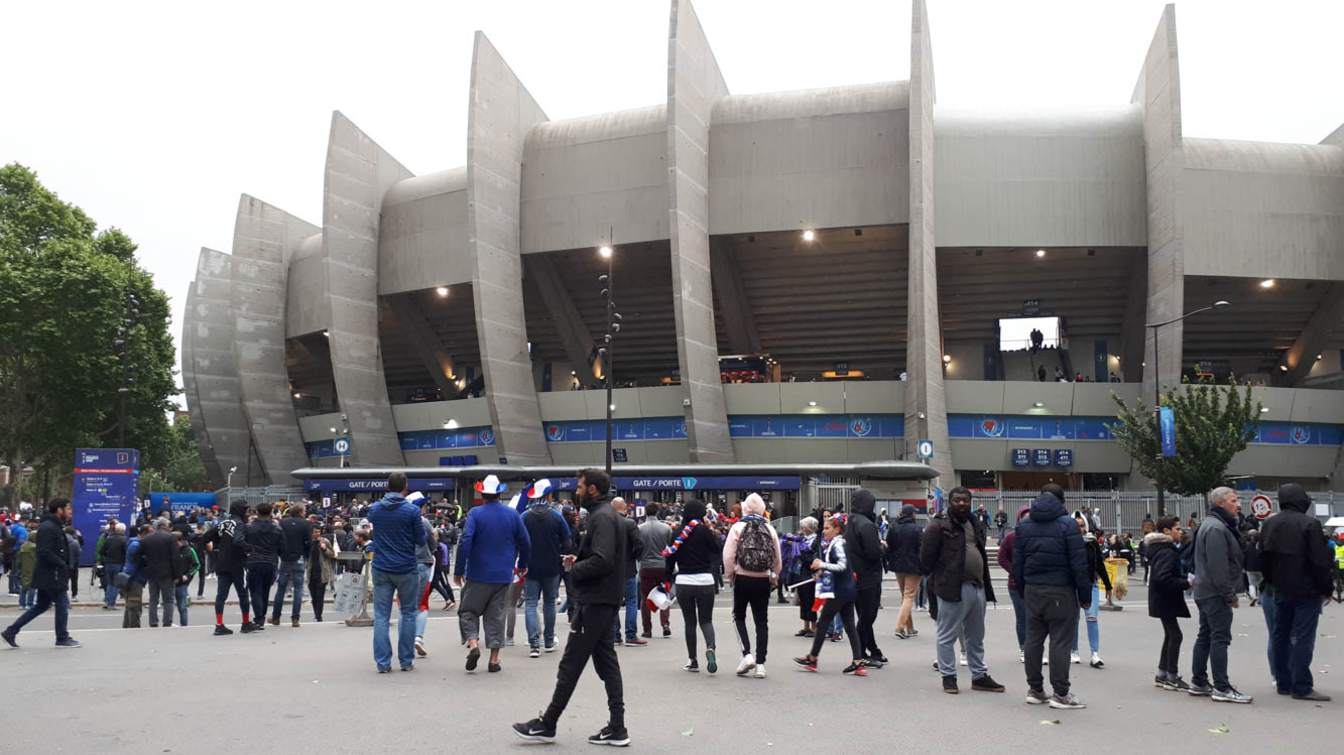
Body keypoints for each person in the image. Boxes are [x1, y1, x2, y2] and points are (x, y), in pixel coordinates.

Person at [513, 469, 629, 747]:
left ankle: (549, 722)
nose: (576, 491)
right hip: (606, 597)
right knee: (606, 663)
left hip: (595, 599)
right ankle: (617, 726)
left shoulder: (600, 518)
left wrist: (574, 568)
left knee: (571, 663)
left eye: (579, 487)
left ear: (592, 489)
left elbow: (602, 560)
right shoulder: (608, 516)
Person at [920, 487, 1004, 694]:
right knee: (947, 634)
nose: (961, 503)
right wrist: (942, 577)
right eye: (957, 500)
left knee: (976, 635)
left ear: (970, 502)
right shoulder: (937, 525)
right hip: (951, 587)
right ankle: (948, 676)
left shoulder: (974, 523)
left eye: (965, 500)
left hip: (977, 586)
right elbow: (926, 559)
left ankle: (979, 676)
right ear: (949, 502)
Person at [1012, 490, 1090, 710]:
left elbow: (1017, 563)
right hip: (1061, 589)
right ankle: (1061, 693)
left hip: (1033, 589)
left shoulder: (1024, 525)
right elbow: (1079, 563)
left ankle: (1035, 690)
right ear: (1062, 501)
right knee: (1060, 641)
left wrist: (1022, 589)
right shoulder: (1067, 525)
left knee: (1033, 639)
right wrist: (1084, 595)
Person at [1259, 483, 1333, 701]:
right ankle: (1302, 685)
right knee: (1303, 637)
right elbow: (1319, 561)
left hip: (1280, 588)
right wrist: (1326, 588)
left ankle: (1284, 682)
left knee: (1280, 635)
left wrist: (1271, 581)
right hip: (1306, 589)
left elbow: (1264, 558)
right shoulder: (1310, 524)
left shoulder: (1270, 524)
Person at [455, 474, 530, 674]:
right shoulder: (512, 514)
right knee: (496, 616)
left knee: (468, 611)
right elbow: (525, 542)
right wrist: (522, 564)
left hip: (478, 573)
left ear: (482, 493)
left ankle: (473, 644)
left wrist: (459, 569)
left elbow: (466, 540)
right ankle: (494, 660)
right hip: (503, 574)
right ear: (499, 493)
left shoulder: (475, 513)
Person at [1188, 486, 1251, 703]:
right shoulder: (1216, 528)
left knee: (1206, 635)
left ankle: (1199, 681)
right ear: (1220, 503)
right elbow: (1218, 566)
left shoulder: (1212, 524)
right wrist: (1229, 594)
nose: (1238, 504)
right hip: (1214, 591)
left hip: (1205, 589)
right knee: (1219, 638)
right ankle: (1222, 687)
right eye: (1234, 500)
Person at [791, 514, 867, 676]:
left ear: (837, 529)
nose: (824, 531)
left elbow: (842, 566)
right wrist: (822, 572)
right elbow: (842, 568)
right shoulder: (839, 542)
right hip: (847, 590)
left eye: (827, 528)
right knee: (849, 626)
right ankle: (858, 662)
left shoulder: (838, 544)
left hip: (839, 591)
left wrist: (821, 564)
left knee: (824, 622)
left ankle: (813, 659)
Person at [367, 472, 427, 673]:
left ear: (387, 486)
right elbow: (421, 539)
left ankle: (383, 663)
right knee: (408, 613)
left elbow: (374, 533)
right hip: (406, 568)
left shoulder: (374, 510)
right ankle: (406, 661)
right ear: (405, 487)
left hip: (381, 567)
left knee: (381, 616)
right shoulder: (412, 511)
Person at [2, 499, 79, 649]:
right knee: (62, 604)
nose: (71, 512)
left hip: (49, 573)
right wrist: (61, 564)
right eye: (68, 508)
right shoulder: (49, 527)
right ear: (59, 510)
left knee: (42, 605)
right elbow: (44, 551)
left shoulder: (52, 526)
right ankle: (62, 637)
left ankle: (11, 630)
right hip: (52, 574)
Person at [723, 493, 782, 679]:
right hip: (763, 579)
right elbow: (777, 557)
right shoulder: (769, 528)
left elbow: (728, 555)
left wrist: (730, 574)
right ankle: (761, 664)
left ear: (746, 508)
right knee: (761, 621)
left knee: (738, 616)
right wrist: (774, 575)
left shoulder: (738, 527)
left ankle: (746, 654)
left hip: (742, 577)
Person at [663, 498, 722, 673]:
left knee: (690, 622)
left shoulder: (677, 533)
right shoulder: (705, 531)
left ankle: (693, 660)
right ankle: (710, 647)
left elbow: (670, 559)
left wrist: (667, 579)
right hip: (705, 580)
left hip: (684, 582)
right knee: (706, 620)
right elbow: (716, 550)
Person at [522, 480, 571, 657]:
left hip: (530, 566)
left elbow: (518, 539)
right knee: (549, 603)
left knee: (531, 604)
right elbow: (568, 541)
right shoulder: (556, 516)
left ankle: (534, 644)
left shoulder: (525, 516)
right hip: (551, 566)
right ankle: (549, 640)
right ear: (548, 496)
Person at [1146, 516, 1191, 691]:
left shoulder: (1160, 549)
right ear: (1166, 531)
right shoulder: (1167, 551)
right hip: (1166, 599)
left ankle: (1163, 673)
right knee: (1175, 635)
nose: (1180, 531)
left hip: (1161, 599)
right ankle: (1171, 675)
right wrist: (1186, 582)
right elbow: (1163, 578)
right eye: (1177, 528)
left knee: (1170, 634)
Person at [846, 489, 887, 668]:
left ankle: (873, 649)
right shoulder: (867, 524)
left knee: (863, 614)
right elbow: (873, 552)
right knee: (868, 616)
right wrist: (883, 547)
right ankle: (860, 653)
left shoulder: (851, 520)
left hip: (855, 575)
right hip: (869, 576)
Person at [207, 501, 255, 635]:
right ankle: (245, 623)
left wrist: (216, 549)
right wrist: (250, 549)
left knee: (221, 595)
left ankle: (219, 625)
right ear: (240, 511)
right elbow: (238, 540)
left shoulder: (222, 523)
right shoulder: (240, 524)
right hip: (237, 564)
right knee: (243, 594)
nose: (248, 513)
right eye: (246, 510)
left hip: (222, 564)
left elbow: (206, 537)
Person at [1073, 520, 1111, 667]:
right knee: (1073, 619)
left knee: (1092, 617)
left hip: (1091, 584)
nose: (1080, 528)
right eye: (1076, 525)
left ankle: (1094, 653)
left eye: (1082, 525)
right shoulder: (1068, 541)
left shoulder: (1091, 542)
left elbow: (1099, 564)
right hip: (1073, 585)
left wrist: (1107, 585)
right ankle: (1074, 651)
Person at [996, 505, 1031, 661]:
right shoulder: (1010, 538)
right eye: (1024, 517)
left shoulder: (1036, 535)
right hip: (1016, 585)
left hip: (1034, 584)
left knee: (1036, 619)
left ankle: (1035, 648)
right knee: (1022, 617)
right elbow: (1001, 558)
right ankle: (1023, 648)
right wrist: (1014, 571)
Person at [271, 502, 312, 628]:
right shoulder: (306, 524)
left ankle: (276, 617)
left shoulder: (283, 522)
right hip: (299, 557)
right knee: (298, 588)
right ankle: (295, 618)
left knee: (281, 588)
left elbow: (278, 540)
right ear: (300, 512)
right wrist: (305, 555)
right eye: (304, 511)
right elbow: (308, 542)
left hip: (285, 558)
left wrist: (280, 553)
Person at [611, 497, 645, 647]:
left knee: (613, 603)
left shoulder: (608, 524)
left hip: (611, 569)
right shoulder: (630, 523)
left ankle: (615, 635)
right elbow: (639, 545)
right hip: (629, 567)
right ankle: (630, 635)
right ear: (624, 508)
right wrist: (633, 556)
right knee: (631, 601)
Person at [885, 504, 922, 640]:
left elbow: (889, 546)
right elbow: (921, 548)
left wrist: (891, 560)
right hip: (914, 567)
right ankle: (900, 627)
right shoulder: (917, 529)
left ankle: (910, 627)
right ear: (911, 514)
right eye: (914, 513)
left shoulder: (894, 527)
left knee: (905, 596)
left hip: (898, 566)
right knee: (909, 596)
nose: (915, 515)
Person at [244, 502, 283, 632]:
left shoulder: (249, 527)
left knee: (255, 591)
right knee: (265, 591)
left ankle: (259, 618)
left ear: (257, 512)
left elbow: (244, 543)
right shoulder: (277, 528)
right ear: (271, 512)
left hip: (254, 560)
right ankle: (262, 617)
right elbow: (282, 546)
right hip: (271, 561)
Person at [636, 503, 673, 640]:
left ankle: (647, 629)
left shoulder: (639, 529)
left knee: (645, 597)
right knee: (664, 595)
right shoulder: (666, 528)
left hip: (646, 566)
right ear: (657, 512)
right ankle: (665, 624)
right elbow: (670, 547)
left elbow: (637, 548)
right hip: (662, 565)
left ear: (645, 512)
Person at [140, 518, 180, 628]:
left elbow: (139, 555)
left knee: (153, 599)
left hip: (152, 572)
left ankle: (153, 622)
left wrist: (146, 567)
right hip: (167, 573)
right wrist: (177, 575)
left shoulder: (147, 538)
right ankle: (167, 622)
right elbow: (175, 558)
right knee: (168, 599)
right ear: (166, 526)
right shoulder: (171, 537)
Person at [783, 517, 819, 637]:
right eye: (802, 526)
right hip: (800, 571)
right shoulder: (802, 539)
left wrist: (798, 547)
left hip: (810, 572)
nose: (803, 529)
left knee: (810, 600)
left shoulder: (815, 540)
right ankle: (806, 626)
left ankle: (814, 627)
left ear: (811, 527)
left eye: (804, 526)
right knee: (803, 600)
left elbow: (811, 555)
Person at [307, 528, 337, 622]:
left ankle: (318, 616)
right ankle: (316, 614)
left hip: (322, 573)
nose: (317, 534)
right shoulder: (309, 542)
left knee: (320, 596)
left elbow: (332, 554)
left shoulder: (325, 541)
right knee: (314, 597)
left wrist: (325, 549)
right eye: (315, 532)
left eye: (319, 532)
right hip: (311, 573)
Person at [172, 532, 200, 626]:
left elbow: (196, 565)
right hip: (169, 581)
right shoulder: (170, 550)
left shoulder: (189, 550)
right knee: (169, 606)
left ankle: (184, 626)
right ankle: (168, 624)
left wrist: (188, 576)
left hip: (181, 583)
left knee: (182, 606)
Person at [101, 522, 127, 609]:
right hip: (118, 563)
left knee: (110, 583)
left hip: (108, 563)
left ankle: (107, 601)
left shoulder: (109, 538)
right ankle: (112, 604)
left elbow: (102, 551)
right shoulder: (124, 540)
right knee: (116, 584)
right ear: (123, 530)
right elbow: (126, 553)